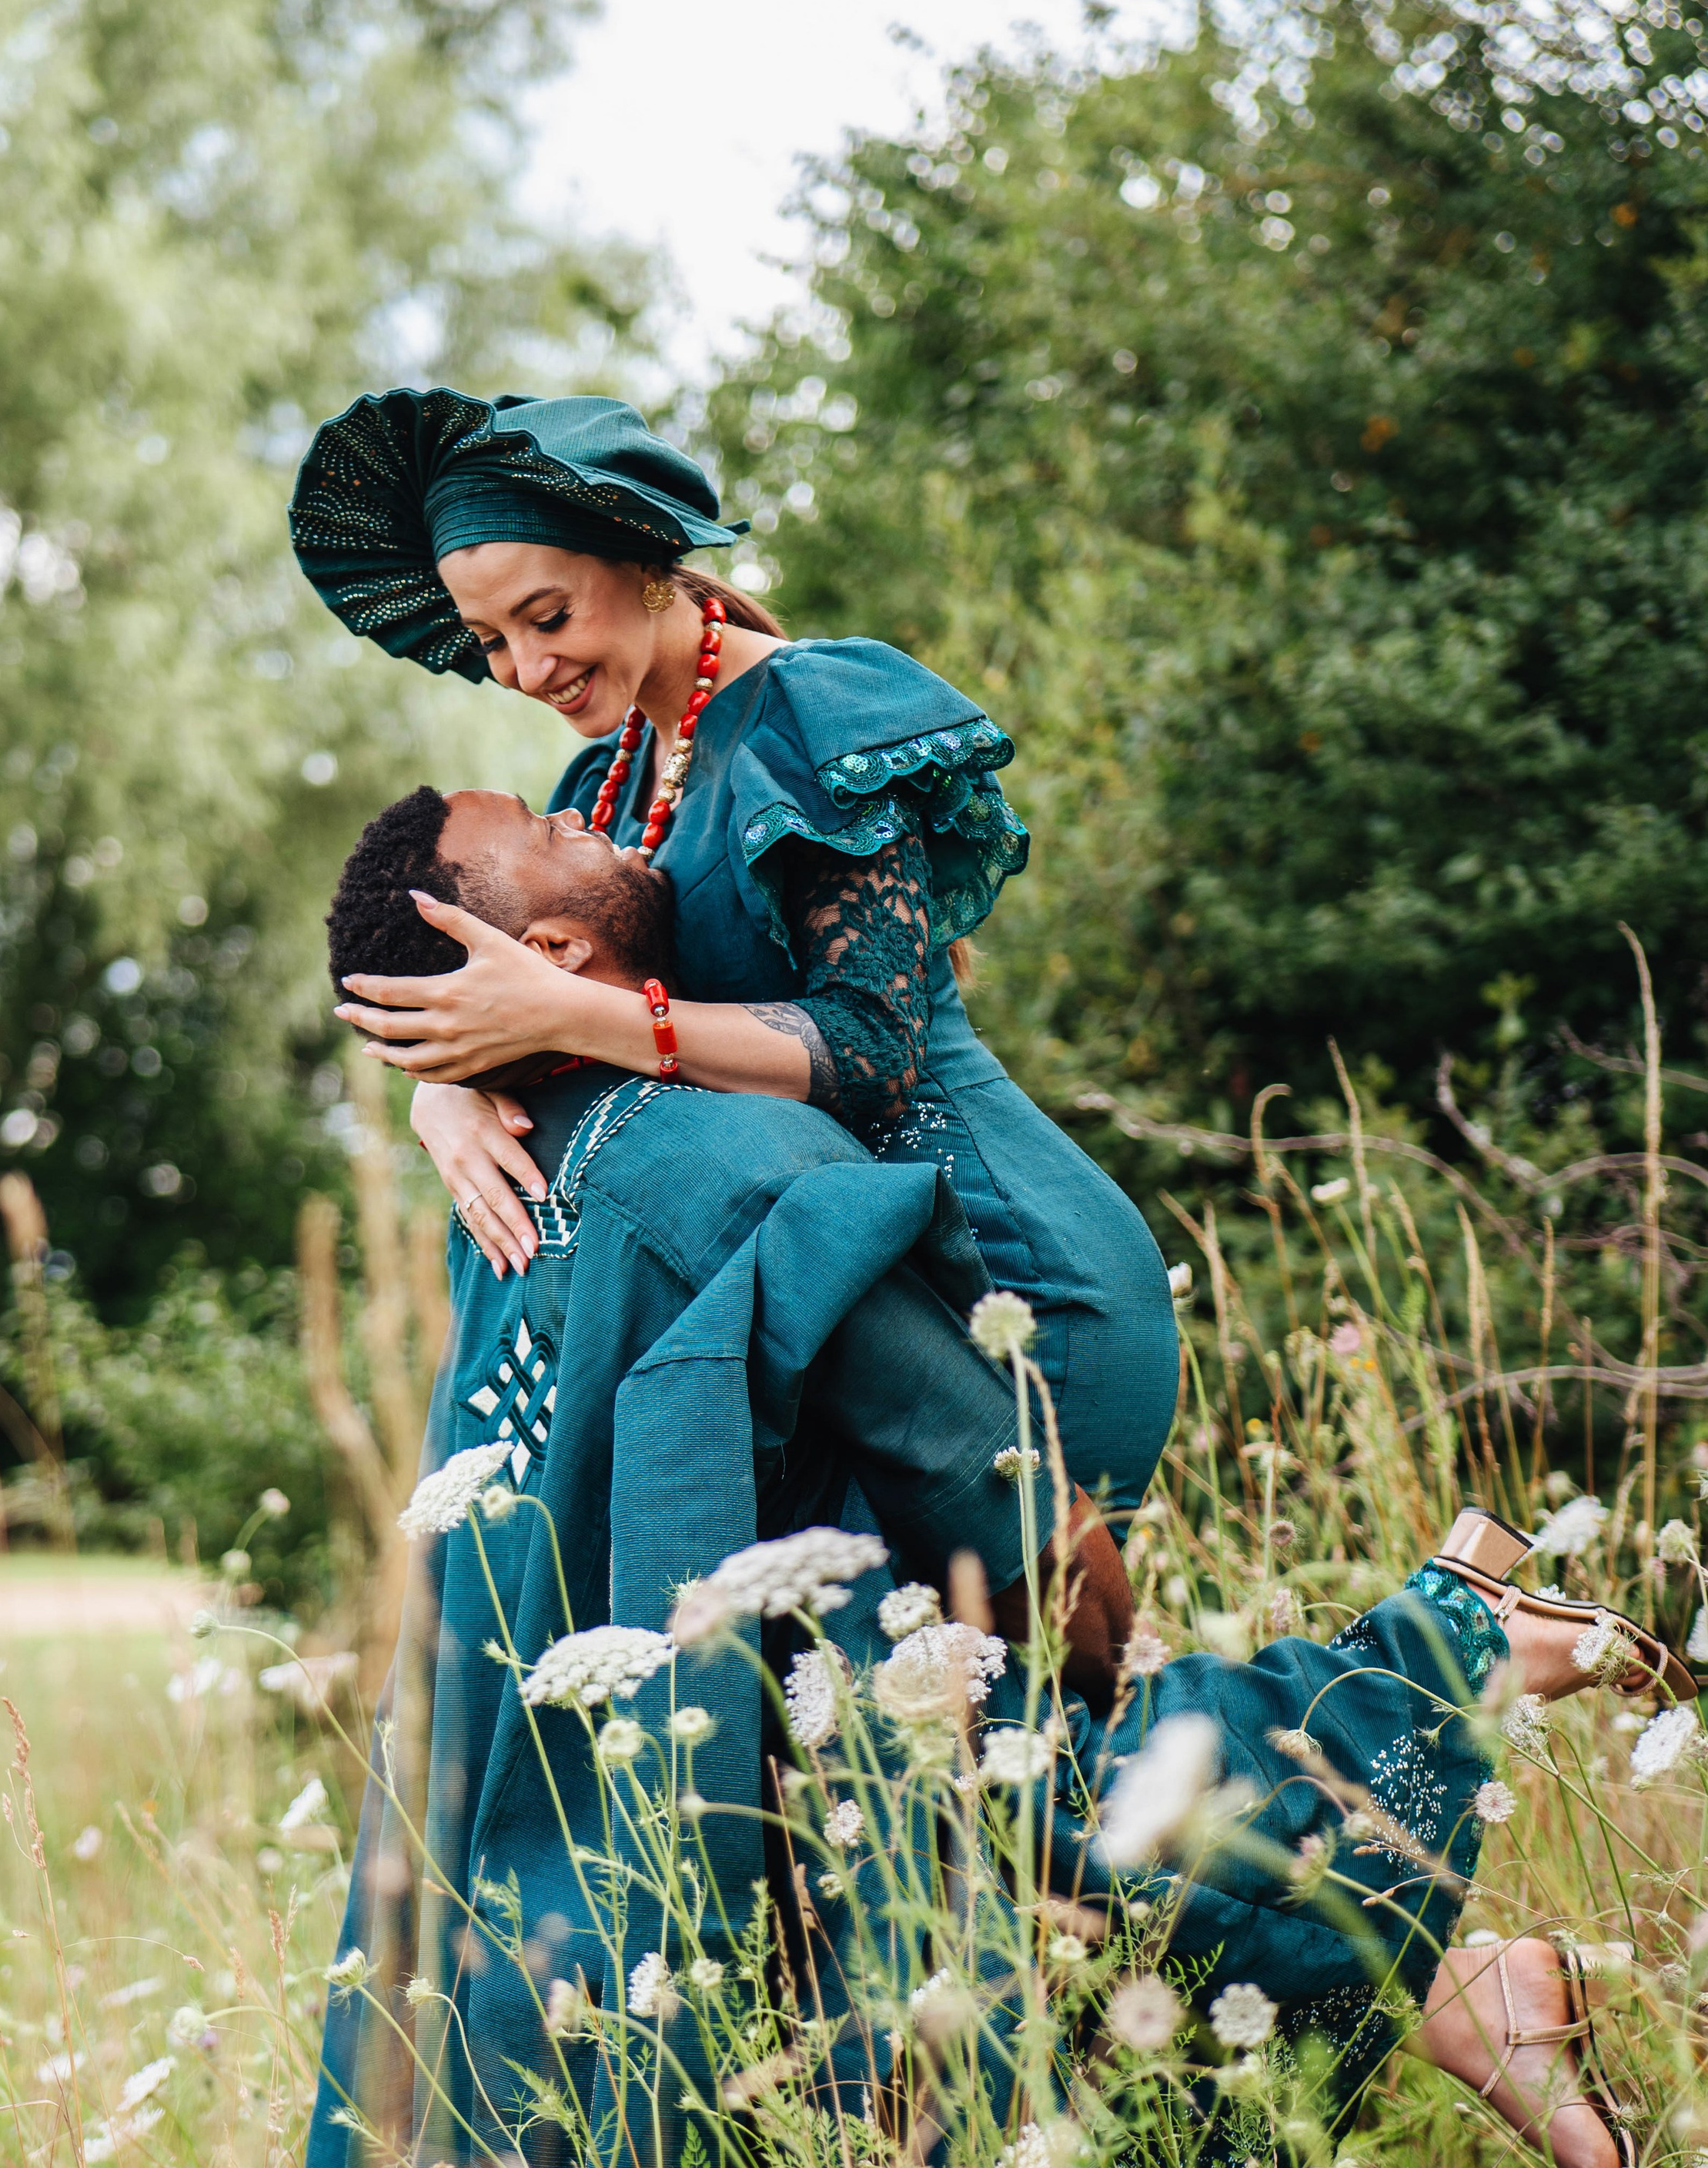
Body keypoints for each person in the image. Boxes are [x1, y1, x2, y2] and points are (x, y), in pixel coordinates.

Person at [277, 783, 1663, 2168]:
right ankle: (1456, 1726)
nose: (586, 813)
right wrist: (1064, 1557)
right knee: (894, 2035)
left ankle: (1452, 1711)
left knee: (722, 2121)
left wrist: (448, 1076)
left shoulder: (546, 1168)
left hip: (568, 1807)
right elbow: (972, 1458)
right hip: (643, 1783)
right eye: (537, 832)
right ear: (536, 952)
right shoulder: (672, 1153)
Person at [288, 385, 1180, 1532]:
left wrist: (567, 1018)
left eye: (547, 617)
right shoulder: (600, 782)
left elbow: (871, 1052)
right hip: (846, 1307)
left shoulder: (814, 720)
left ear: (646, 560)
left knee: (1008, 1643)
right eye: (492, 641)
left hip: (1012, 1287)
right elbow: (533, 989)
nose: (524, 668)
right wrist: (448, 1088)